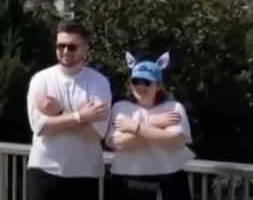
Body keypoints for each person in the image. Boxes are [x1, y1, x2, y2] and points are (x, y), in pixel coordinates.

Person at [26, 20, 113, 200]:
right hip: (44, 170)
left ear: (85, 49)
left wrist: (57, 115)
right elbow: (41, 128)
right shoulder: (40, 80)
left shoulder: (98, 82)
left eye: (72, 47)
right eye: (61, 46)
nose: (65, 51)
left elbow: (96, 134)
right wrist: (81, 116)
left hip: (84, 173)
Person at [105, 52, 193, 200]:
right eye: (136, 81)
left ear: (158, 85)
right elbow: (120, 143)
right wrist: (154, 124)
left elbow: (173, 140)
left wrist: (134, 127)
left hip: (169, 179)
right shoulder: (120, 107)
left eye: (146, 82)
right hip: (126, 179)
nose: (140, 86)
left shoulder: (174, 108)